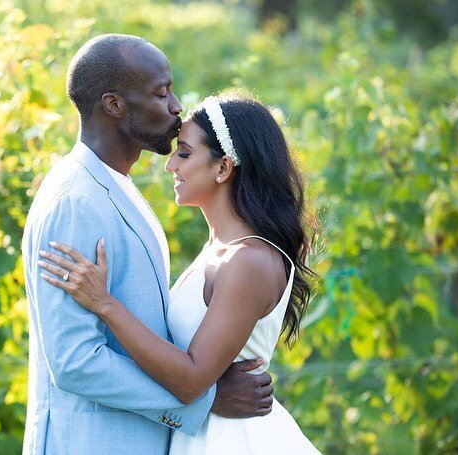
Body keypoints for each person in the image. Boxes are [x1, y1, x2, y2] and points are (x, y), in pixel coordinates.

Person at [21, 34, 274, 455]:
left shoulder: (118, 188)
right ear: (114, 105)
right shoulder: (76, 202)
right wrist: (203, 400)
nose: (177, 106)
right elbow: (74, 362)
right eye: (161, 92)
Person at [38, 94, 320, 454]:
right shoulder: (218, 250)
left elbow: (190, 380)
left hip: (233, 441)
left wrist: (104, 304)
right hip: (200, 434)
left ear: (222, 168)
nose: (170, 165)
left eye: (184, 153)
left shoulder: (249, 260)